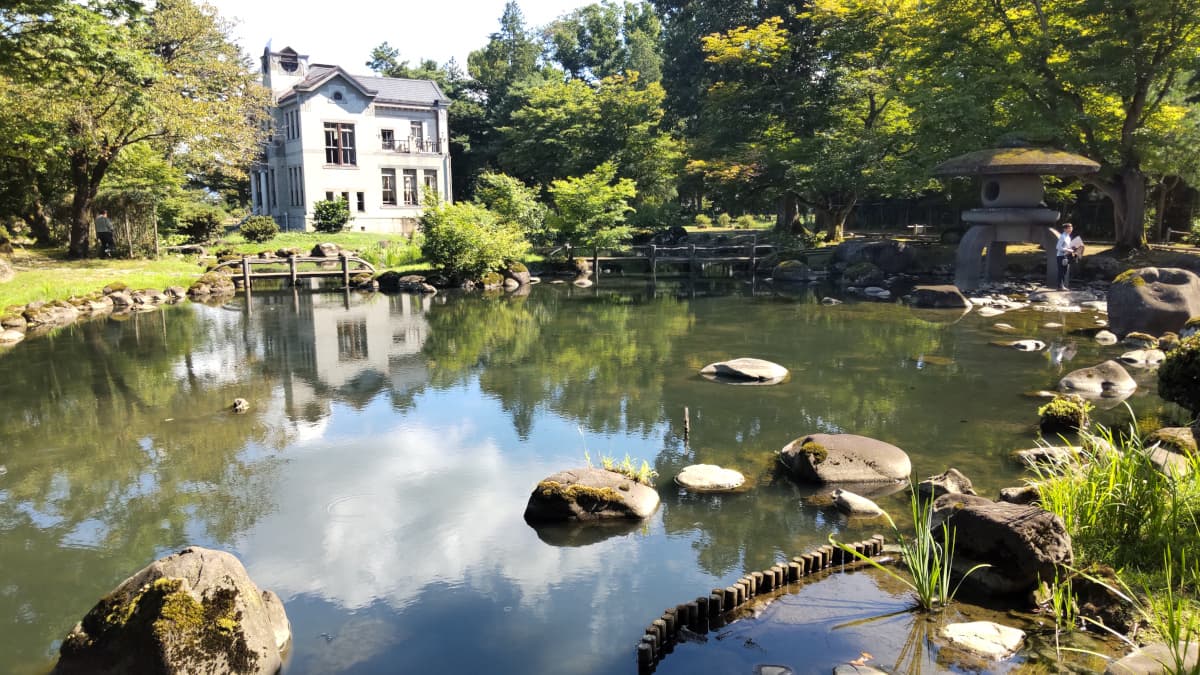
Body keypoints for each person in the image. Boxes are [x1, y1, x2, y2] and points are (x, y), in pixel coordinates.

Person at [1053, 222, 1083, 290]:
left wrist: (1074, 249)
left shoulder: (1068, 237)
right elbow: (1058, 247)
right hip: (1060, 256)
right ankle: (1060, 286)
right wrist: (1069, 250)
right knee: (1061, 271)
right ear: (1065, 229)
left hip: (1066, 256)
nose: (1071, 229)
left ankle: (1062, 286)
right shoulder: (1062, 236)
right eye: (1069, 228)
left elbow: (1068, 246)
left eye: (1071, 228)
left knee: (1064, 271)